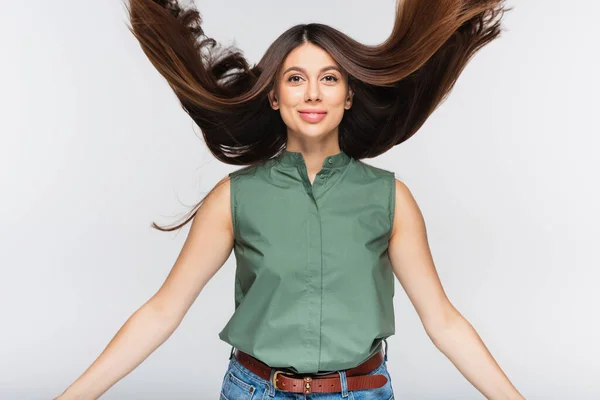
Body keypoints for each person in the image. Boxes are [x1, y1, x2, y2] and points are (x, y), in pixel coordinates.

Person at [55, 0, 525, 399]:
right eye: (295, 78)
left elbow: (443, 321)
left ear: (349, 95)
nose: (313, 93)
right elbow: (162, 311)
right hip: (254, 389)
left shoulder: (390, 198)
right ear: (275, 97)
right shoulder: (235, 198)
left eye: (330, 79)